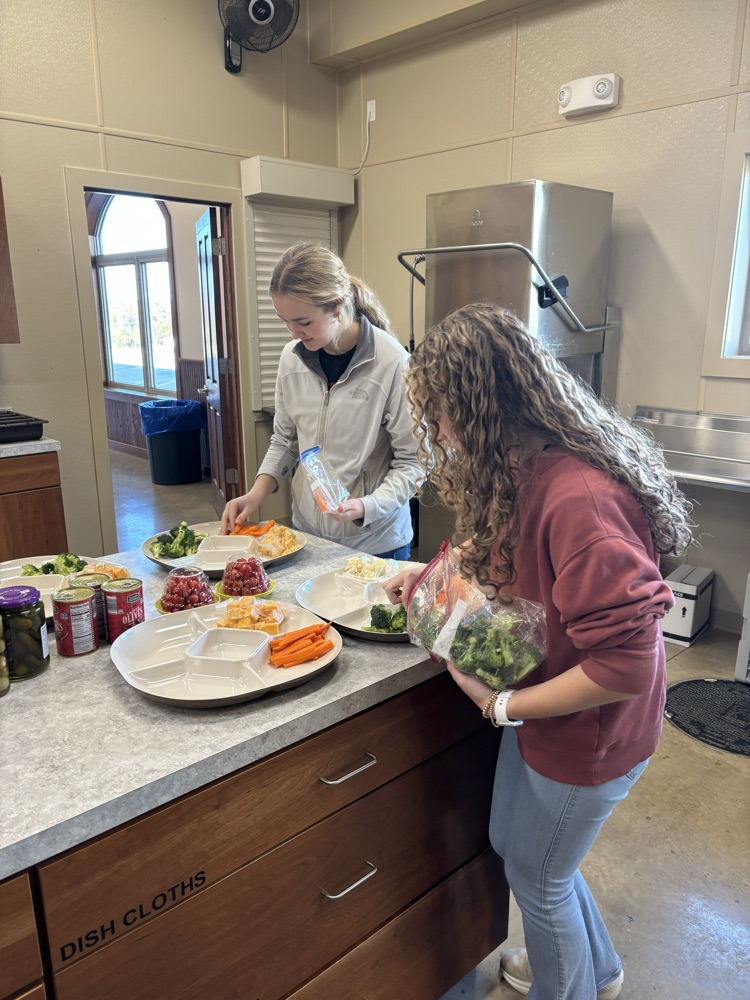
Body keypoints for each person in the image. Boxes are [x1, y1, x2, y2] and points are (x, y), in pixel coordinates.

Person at [383, 302, 693, 1000]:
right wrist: (428, 575)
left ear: (481, 405)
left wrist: (504, 704)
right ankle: (598, 970)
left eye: (439, 415)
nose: (435, 432)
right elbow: (490, 548)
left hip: (590, 733)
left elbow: (627, 666)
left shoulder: (580, 498)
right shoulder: (521, 462)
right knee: (529, 857)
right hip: (551, 714)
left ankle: (571, 985)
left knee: (541, 879)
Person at [220, 242, 421, 559]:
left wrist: (367, 506)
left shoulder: (393, 363)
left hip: (376, 545)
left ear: (337, 307)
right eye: (285, 321)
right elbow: (286, 441)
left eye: (303, 322)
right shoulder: (292, 358)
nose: (293, 334)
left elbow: (414, 462)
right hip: (308, 538)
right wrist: (255, 494)